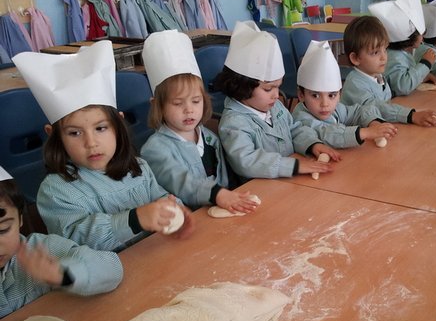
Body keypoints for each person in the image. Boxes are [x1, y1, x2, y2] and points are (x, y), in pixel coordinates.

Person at [14, 41, 193, 252]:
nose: (91, 143)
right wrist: (134, 219)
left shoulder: (138, 167)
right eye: (75, 133)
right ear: (54, 135)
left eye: (100, 128)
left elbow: (159, 197)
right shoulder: (56, 191)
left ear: (118, 124)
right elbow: (77, 240)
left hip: (154, 256)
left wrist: (173, 208)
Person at [140, 30, 257, 214]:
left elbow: (228, 178)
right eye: (178, 103)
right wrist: (218, 194)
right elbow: (181, 182)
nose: (189, 109)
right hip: (190, 220)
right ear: (157, 105)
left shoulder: (210, 137)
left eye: (195, 101)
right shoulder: (155, 149)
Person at [215, 21, 335, 180]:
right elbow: (246, 161)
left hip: (290, 179)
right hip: (261, 187)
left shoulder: (274, 106)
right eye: (268, 89)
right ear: (243, 86)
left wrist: (312, 144)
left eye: (278, 87)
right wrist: (293, 166)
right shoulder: (234, 123)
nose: (276, 95)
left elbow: (294, 129)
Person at [0, 167, 123, 319]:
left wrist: (63, 275)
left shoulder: (42, 251)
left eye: (3, 229)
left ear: (20, 219)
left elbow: (111, 267)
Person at [292, 40, 399, 149]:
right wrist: (366, 132)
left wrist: (373, 122)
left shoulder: (336, 109)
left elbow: (358, 111)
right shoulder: (302, 118)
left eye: (331, 95)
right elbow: (327, 133)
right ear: (301, 95)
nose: (325, 104)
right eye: (315, 96)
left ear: (339, 94)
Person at [340, 16, 436, 127]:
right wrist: (411, 115)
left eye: (385, 49)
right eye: (375, 52)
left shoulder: (377, 76)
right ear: (355, 58)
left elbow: (386, 104)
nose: (384, 57)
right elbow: (375, 108)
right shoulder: (355, 84)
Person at [368, 0, 436, 96]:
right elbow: (402, 86)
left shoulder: (402, 54)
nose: (423, 37)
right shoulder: (395, 57)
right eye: (421, 33)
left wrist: (421, 77)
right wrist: (425, 64)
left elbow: (406, 76)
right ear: (411, 37)